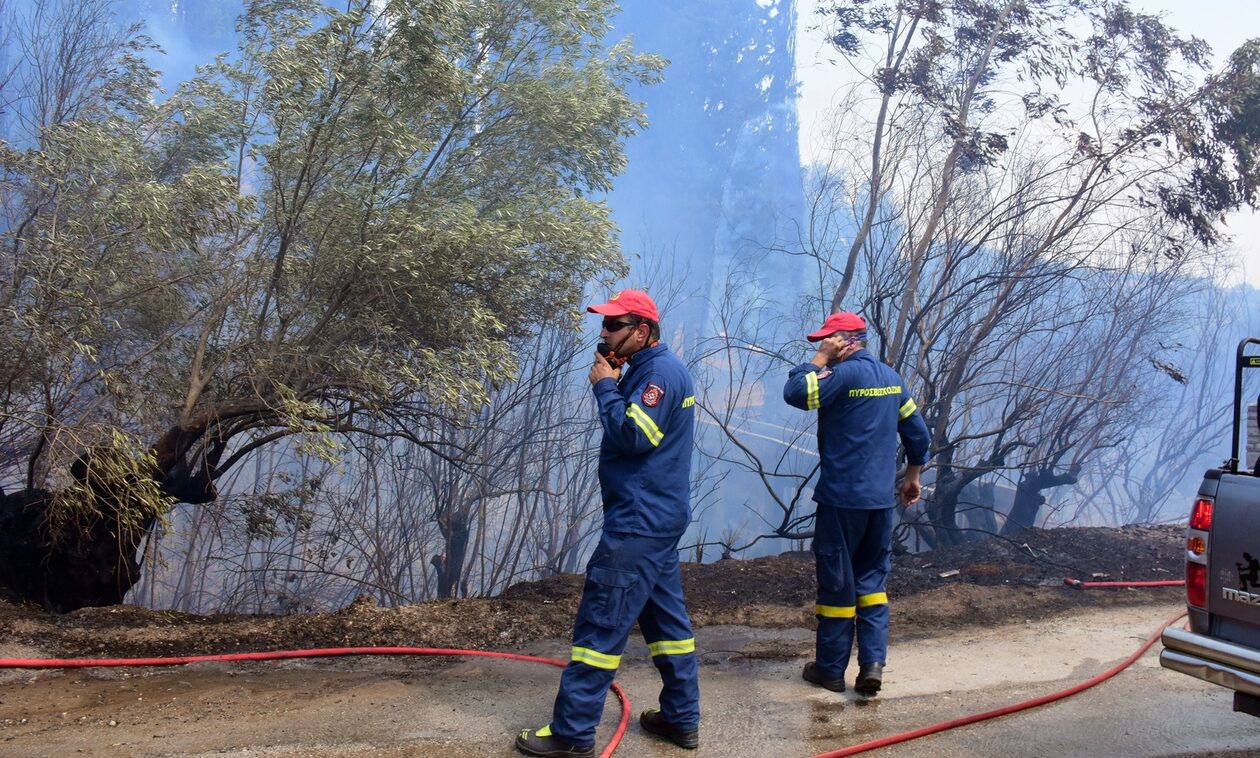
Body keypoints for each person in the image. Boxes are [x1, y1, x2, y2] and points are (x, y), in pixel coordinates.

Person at [516, 289, 701, 757]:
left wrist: (604, 387)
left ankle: (572, 733)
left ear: (642, 331)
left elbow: (634, 435)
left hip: (637, 523)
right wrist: (616, 380)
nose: (604, 333)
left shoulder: (658, 375)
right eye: (604, 323)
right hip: (657, 519)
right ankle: (681, 718)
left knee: (600, 626)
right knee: (668, 627)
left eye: (614, 325)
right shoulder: (651, 368)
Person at [782, 311, 931, 697]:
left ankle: (831, 670)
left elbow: (796, 393)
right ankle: (872, 665)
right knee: (872, 582)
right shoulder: (891, 378)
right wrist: (913, 476)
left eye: (827, 340)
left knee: (837, 583)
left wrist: (819, 360)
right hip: (879, 503)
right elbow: (918, 434)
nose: (822, 346)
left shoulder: (842, 375)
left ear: (845, 342)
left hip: (841, 501)